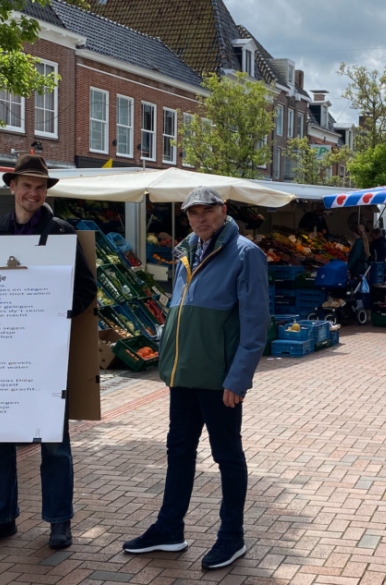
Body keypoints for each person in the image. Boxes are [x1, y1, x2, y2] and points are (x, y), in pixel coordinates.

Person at [123, 187, 268, 571]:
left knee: (227, 457)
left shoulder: (245, 254)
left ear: (223, 211)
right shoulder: (187, 251)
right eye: (193, 214)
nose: (200, 219)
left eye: (207, 212)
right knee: (179, 452)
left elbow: (255, 324)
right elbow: (181, 309)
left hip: (219, 378)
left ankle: (231, 537)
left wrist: (238, 379)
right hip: (183, 373)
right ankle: (169, 528)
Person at [0, 155, 97, 551]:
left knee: (54, 444)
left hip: (46, 355)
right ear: (12, 187)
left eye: (40, 187)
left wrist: (53, 314)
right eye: (26, 186)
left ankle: (59, 522)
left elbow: (86, 289)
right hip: (1, 355)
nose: (33, 193)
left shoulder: (61, 232)